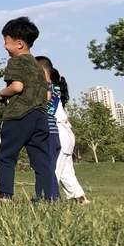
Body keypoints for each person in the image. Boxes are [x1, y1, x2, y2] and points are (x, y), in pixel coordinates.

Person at [0, 17, 54, 201]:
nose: (5, 46)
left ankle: (5, 197)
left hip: (19, 116)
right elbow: (47, 95)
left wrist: (2, 94)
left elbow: (17, 87)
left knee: (5, 157)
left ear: (19, 44)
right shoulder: (38, 66)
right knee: (42, 161)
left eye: (6, 42)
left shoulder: (16, 62)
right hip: (40, 116)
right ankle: (45, 199)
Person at [40, 61, 90, 204]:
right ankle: (80, 197)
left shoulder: (49, 91)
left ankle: (51, 198)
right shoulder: (57, 93)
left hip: (59, 134)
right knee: (66, 171)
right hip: (67, 135)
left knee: (53, 170)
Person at [36, 56, 63, 200]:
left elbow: (46, 96)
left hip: (48, 134)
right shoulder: (54, 88)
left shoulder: (49, 88)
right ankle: (41, 195)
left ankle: (53, 196)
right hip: (51, 134)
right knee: (43, 166)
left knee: (47, 167)